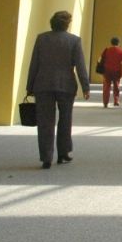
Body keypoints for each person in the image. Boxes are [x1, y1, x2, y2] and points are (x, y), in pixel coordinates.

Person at [26, 10, 90, 169]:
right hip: (66, 85)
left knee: (45, 121)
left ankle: (46, 157)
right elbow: (80, 66)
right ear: (67, 24)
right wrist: (85, 86)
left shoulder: (42, 39)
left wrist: (30, 85)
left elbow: (35, 63)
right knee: (65, 119)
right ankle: (64, 153)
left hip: (43, 84)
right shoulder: (74, 41)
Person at [99, 37, 122, 108]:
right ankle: (116, 101)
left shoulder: (106, 50)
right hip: (117, 71)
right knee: (116, 86)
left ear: (111, 43)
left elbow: (100, 60)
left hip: (107, 71)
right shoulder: (121, 51)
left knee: (106, 87)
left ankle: (105, 102)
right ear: (118, 43)